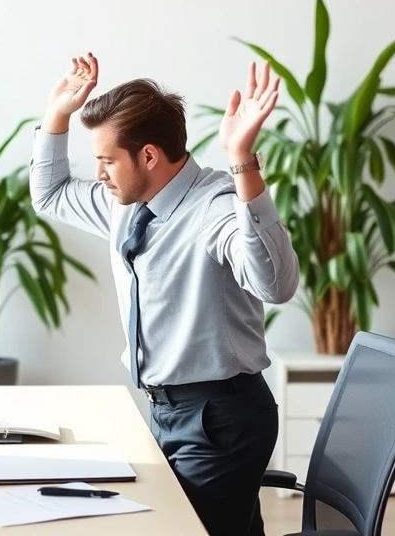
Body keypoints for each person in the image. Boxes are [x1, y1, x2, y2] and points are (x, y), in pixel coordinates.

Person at [28, 52, 299, 536]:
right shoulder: (127, 207)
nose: (100, 175)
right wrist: (58, 113)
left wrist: (242, 161)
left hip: (220, 420)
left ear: (148, 155)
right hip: (165, 411)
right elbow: (50, 194)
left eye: (108, 161)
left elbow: (275, 285)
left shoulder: (215, 206)